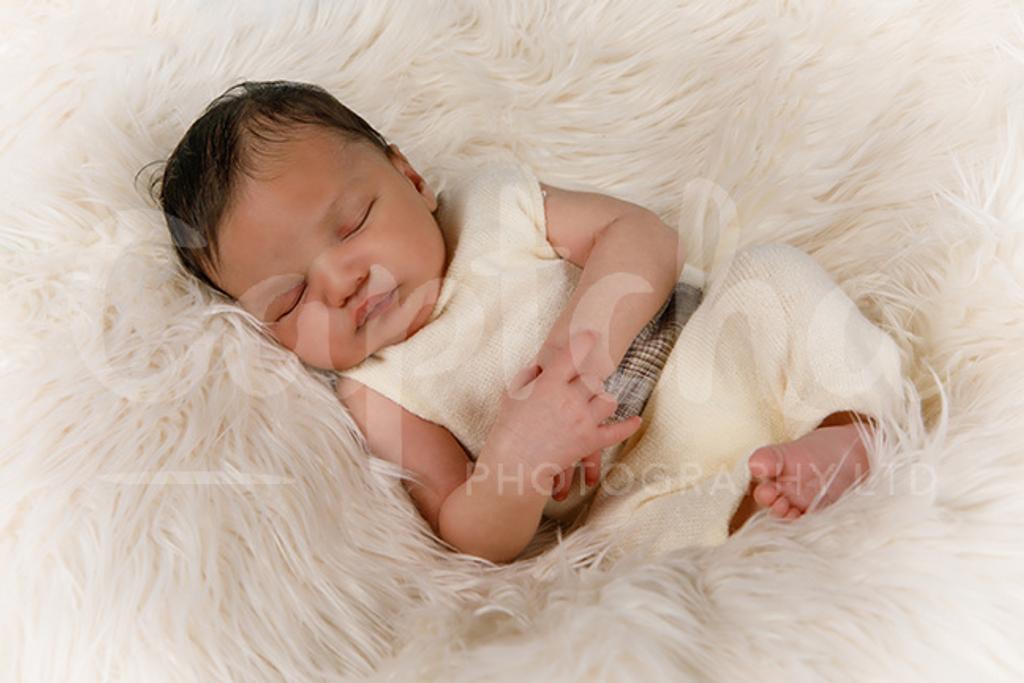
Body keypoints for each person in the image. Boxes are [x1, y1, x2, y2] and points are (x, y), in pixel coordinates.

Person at [152, 80, 905, 564]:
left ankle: (851, 426)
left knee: (770, 280)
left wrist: (574, 351)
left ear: (409, 176)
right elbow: (468, 529)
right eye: (289, 300)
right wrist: (518, 453)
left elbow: (645, 238)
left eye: (351, 225)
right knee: (634, 554)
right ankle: (766, 509)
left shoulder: (494, 207)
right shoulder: (376, 390)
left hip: (700, 351)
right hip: (626, 489)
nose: (341, 282)